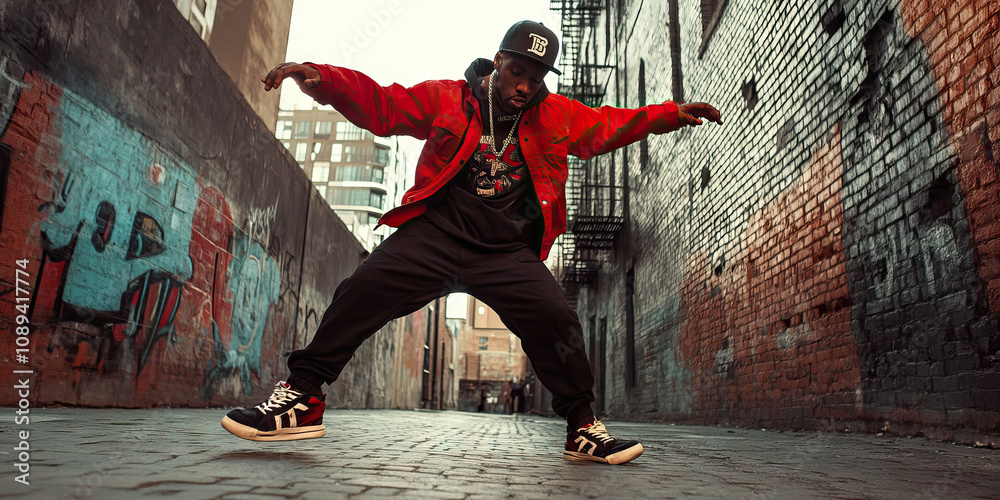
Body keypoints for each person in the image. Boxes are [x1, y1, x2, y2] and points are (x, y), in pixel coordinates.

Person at [221, 20, 722, 465]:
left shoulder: (556, 115)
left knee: (557, 320)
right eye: (517, 72)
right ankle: (302, 397)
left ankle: (583, 428)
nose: (525, 87)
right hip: (436, 235)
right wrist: (323, 78)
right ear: (498, 61)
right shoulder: (449, 98)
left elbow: (607, 125)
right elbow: (384, 104)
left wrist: (669, 114)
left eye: (537, 78)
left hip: (506, 252)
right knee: (362, 288)